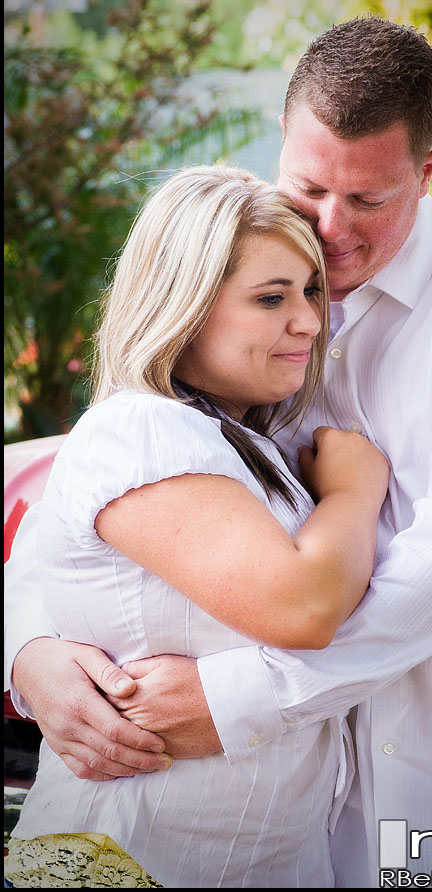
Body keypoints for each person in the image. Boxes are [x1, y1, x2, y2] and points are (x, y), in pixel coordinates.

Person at [5, 15, 432, 888]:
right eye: (311, 187)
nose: (330, 228)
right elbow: (90, 495)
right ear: (282, 139)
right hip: (316, 814)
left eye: (368, 200)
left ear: (427, 171)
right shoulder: (240, 291)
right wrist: (30, 656)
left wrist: (238, 700)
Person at [3, 163, 391, 888]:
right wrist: (354, 495)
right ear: (183, 308)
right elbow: (301, 606)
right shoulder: (145, 430)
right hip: (128, 864)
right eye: (271, 297)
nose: (309, 319)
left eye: (310, 290)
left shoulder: (234, 439)